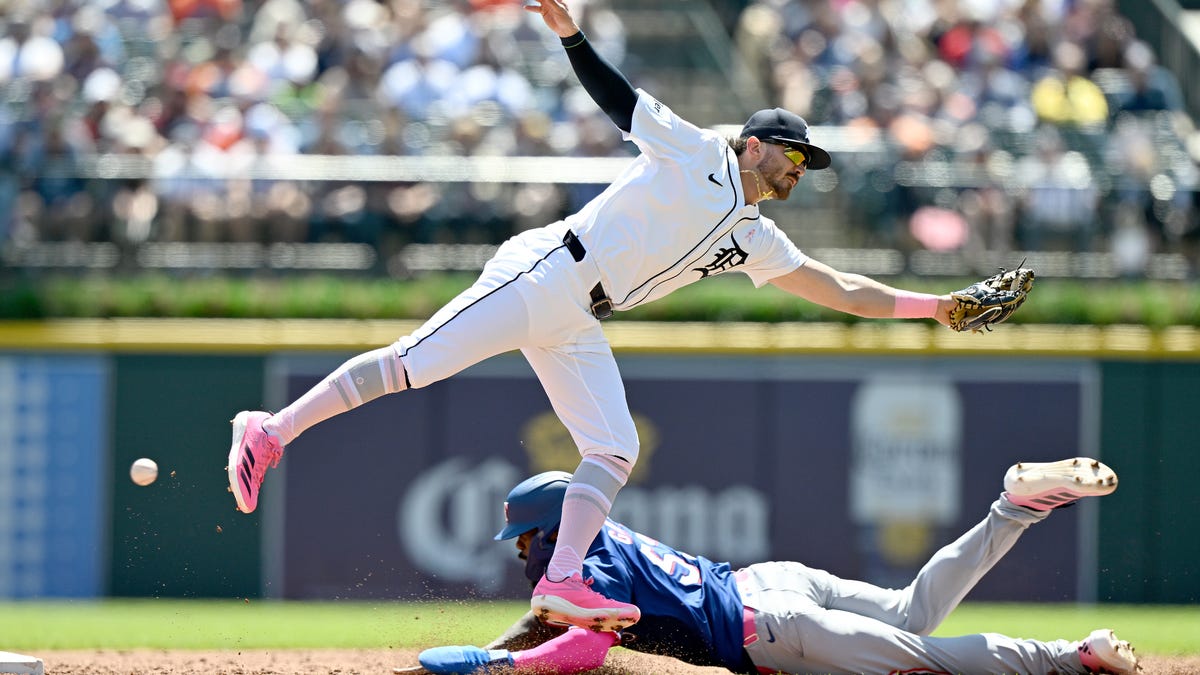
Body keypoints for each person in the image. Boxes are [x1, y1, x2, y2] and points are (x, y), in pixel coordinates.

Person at [227, 0, 969, 632]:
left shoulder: (756, 236)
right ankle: (271, 427)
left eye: (805, 162)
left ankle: (563, 580)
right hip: (547, 269)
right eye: (791, 154)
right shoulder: (700, 153)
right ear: (753, 143)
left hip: (579, 315)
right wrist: (570, 36)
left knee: (613, 450)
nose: (798, 168)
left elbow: (837, 286)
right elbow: (623, 103)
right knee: (409, 365)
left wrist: (936, 308)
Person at [412, 458, 1140, 675]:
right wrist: (498, 646)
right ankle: (1012, 508)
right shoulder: (593, 541)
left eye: (523, 539)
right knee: (914, 609)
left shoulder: (576, 573)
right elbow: (549, 618)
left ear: (542, 532)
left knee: (928, 659)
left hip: (774, 629)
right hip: (771, 582)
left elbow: (580, 642)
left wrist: (496, 668)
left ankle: (1074, 658)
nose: (521, 552)